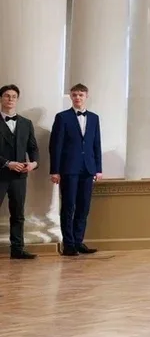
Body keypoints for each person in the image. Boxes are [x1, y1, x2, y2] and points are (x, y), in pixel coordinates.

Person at [49, 84, 103, 257]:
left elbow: (96, 144)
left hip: (88, 168)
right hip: (68, 168)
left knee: (83, 207)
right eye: (74, 95)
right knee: (68, 206)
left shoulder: (94, 118)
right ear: (71, 97)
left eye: (80, 95)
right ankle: (69, 244)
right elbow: (55, 145)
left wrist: (98, 168)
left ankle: (79, 242)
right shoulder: (62, 117)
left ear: (86, 96)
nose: (77, 97)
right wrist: (55, 170)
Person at [1, 84, 39, 259]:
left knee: (18, 214)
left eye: (14, 96)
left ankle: (17, 249)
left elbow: (33, 148)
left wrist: (33, 163)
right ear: (1, 98)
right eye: (7, 96)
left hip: (19, 176)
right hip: (0, 174)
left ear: (17, 99)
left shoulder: (26, 123)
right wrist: (7, 163)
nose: (10, 99)